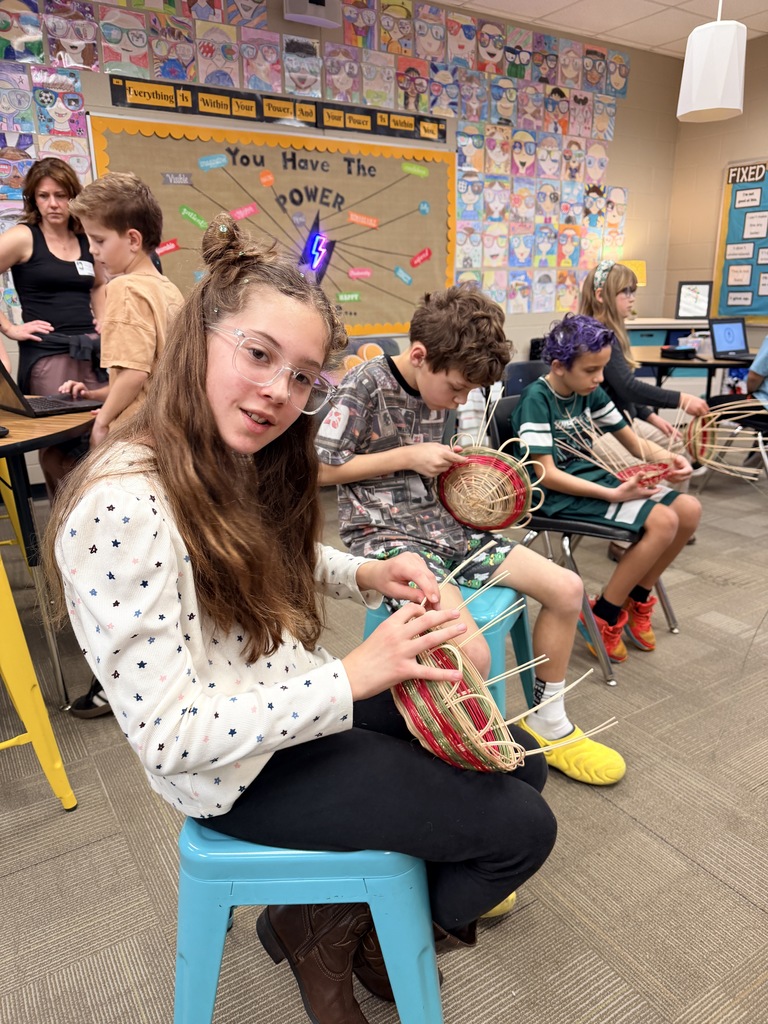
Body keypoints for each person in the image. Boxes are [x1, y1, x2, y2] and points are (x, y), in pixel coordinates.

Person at [44, 216, 557, 1024]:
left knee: (519, 763)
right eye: (258, 354)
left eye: (303, 375)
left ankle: (323, 917)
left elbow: (255, 555)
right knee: (522, 828)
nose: (280, 391)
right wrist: (354, 675)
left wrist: (365, 571)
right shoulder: (121, 504)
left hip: (286, 704)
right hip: (235, 770)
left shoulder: (220, 453)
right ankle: (346, 932)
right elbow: (171, 735)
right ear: (198, 341)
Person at [315, 285, 626, 786]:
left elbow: (442, 466)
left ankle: (547, 722)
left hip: (449, 529)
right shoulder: (365, 385)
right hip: (389, 539)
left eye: (468, 393)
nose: (461, 400)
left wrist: (476, 486)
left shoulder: (449, 387)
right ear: (419, 356)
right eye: (457, 388)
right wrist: (408, 456)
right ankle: (463, 758)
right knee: (474, 652)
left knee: (568, 590)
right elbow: (318, 469)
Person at [56, 172, 184, 719]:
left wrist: (104, 418)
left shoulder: (126, 289)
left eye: (99, 240)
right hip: (169, 433)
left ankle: (118, 680)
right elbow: (152, 370)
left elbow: (133, 370)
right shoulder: (168, 287)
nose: (93, 253)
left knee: (118, 562)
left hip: (134, 439)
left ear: (133, 239)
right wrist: (102, 391)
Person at [511, 314, 701, 663]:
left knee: (688, 510)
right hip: (553, 496)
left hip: (589, 479)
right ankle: (604, 614)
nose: (599, 378)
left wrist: (668, 459)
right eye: (590, 370)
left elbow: (634, 444)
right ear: (558, 366)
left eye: (602, 369)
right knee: (663, 522)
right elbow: (546, 474)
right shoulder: (538, 398)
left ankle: (637, 594)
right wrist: (614, 494)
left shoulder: (590, 391)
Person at [580, 259, 709, 556]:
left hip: (623, 420)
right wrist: (681, 399)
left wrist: (649, 415)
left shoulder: (615, 330)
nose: (632, 298)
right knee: (643, 470)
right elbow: (627, 387)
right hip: (600, 429)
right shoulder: (596, 334)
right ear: (601, 296)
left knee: (678, 448)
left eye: (632, 291)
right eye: (625, 291)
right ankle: (625, 538)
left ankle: (676, 523)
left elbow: (620, 390)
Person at [0, 157, 107, 496]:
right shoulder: (23, 237)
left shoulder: (85, 237)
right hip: (48, 355)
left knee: (98, 437)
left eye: (61, 195)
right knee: (61, 446)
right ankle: (65, 532)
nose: (53, 204)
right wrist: (9, 328)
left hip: (92, 352)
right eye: (44, 196)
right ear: (33, 199)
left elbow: (99, 284)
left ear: (73, 196)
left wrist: (103, 319)